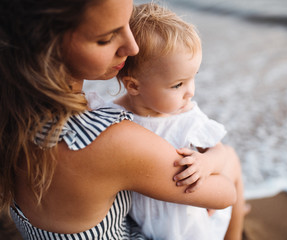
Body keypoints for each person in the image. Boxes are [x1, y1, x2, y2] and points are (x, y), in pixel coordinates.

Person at [0, 0, 238, 239]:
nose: (133, 47)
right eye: (105, 38)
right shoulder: (109, 140)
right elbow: (226, 194)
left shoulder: (13, 109)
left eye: (127, 24)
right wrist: (223, 159)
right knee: (232, 160)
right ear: (48, 46)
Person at [110, 3, 246, 240]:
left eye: (193, 78)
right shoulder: (112, 115)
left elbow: (219, 151)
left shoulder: (186, 116)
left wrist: (206, 163)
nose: (190, 92)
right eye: (178, 84)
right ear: (134, 86)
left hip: (188, 224)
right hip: (141, 222)